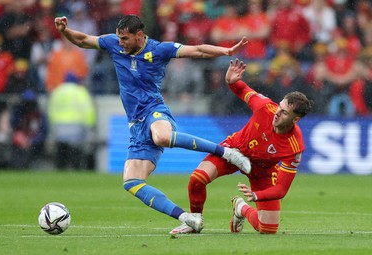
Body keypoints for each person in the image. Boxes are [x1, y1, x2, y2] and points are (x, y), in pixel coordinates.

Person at [54, 14, 250, 233]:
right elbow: (83, 40)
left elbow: (197, 50)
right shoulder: (114, 43)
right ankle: (186, 218)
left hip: (154, 111)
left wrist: (226, 51)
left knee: (162, 137)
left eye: (125, 39)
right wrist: (64, 31)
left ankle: (227, 152)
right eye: (119, 38)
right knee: (131, 182)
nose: (120, 43)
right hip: (135, 125)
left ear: (139, 35)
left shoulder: (159, 50)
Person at [171, 59, 313, 234]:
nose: (277, 113)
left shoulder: (295, 146)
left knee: (267, 230)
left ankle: (241, 208)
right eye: (280, 107)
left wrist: (256, 196)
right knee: (197, 179)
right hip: (234, 150)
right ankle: (194, 221)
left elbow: (281, 189)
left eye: (284, 112)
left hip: (263, 170)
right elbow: (242, 89)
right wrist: (231, 80)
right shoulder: (265, 107)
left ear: (296, 119)